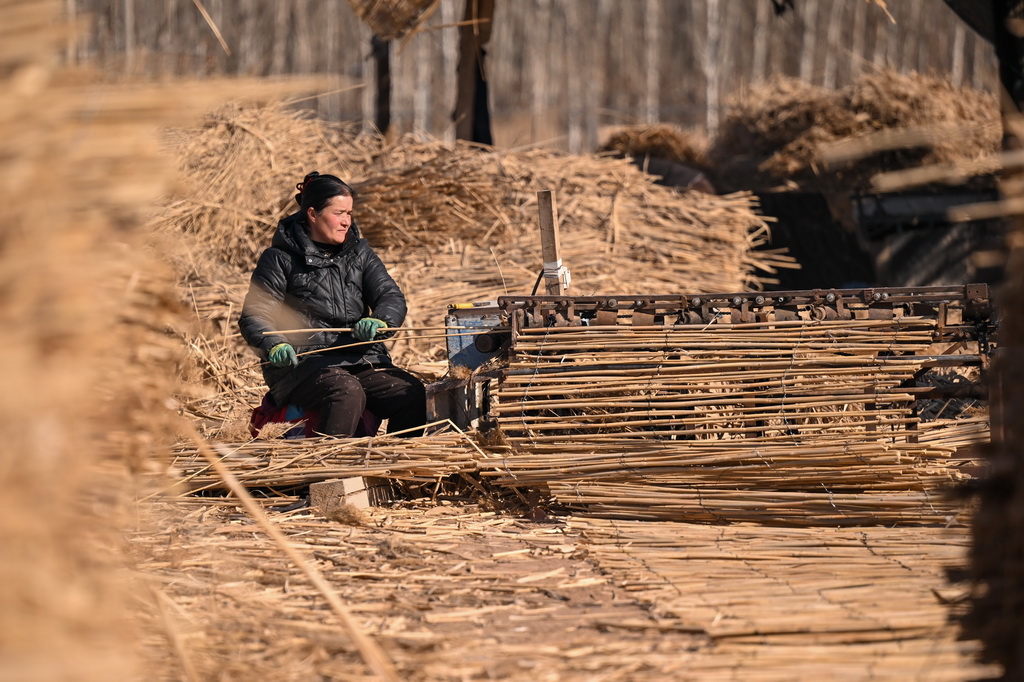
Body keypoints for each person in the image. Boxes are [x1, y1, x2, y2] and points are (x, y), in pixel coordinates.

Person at [239, 171, 427, 437]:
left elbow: (390, 296)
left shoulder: (360, 252)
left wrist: (381, 320)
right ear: (313, 214)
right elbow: (255, 314)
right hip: (302, 365)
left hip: (360, 358)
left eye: (349, 214)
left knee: (409, 392)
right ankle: (327, 473)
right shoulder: (279, 259)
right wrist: (275, 344)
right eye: (339, 213)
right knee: (345, 392)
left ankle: (393, 470)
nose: (346, 222)